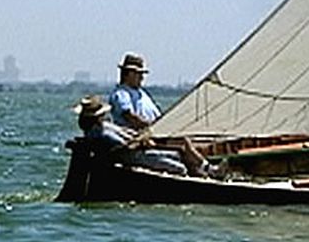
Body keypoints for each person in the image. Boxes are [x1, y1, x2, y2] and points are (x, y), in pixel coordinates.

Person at [74, 94, 218, 177]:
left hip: (140, 150)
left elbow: (125, 133)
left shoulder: (103, 127)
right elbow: (126, 147)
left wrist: (141, 136)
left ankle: (207, 171)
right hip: (135, 156)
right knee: (180, 168)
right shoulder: (102, 133)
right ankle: (206, 173)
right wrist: (141, 141)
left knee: (180, 150)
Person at [108, 53, 162, 129]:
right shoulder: (121, 94)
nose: (142, 77)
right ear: (128, 74)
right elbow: (130, 117)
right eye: (138, 74)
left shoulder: (143, 93)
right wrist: (151, 126)